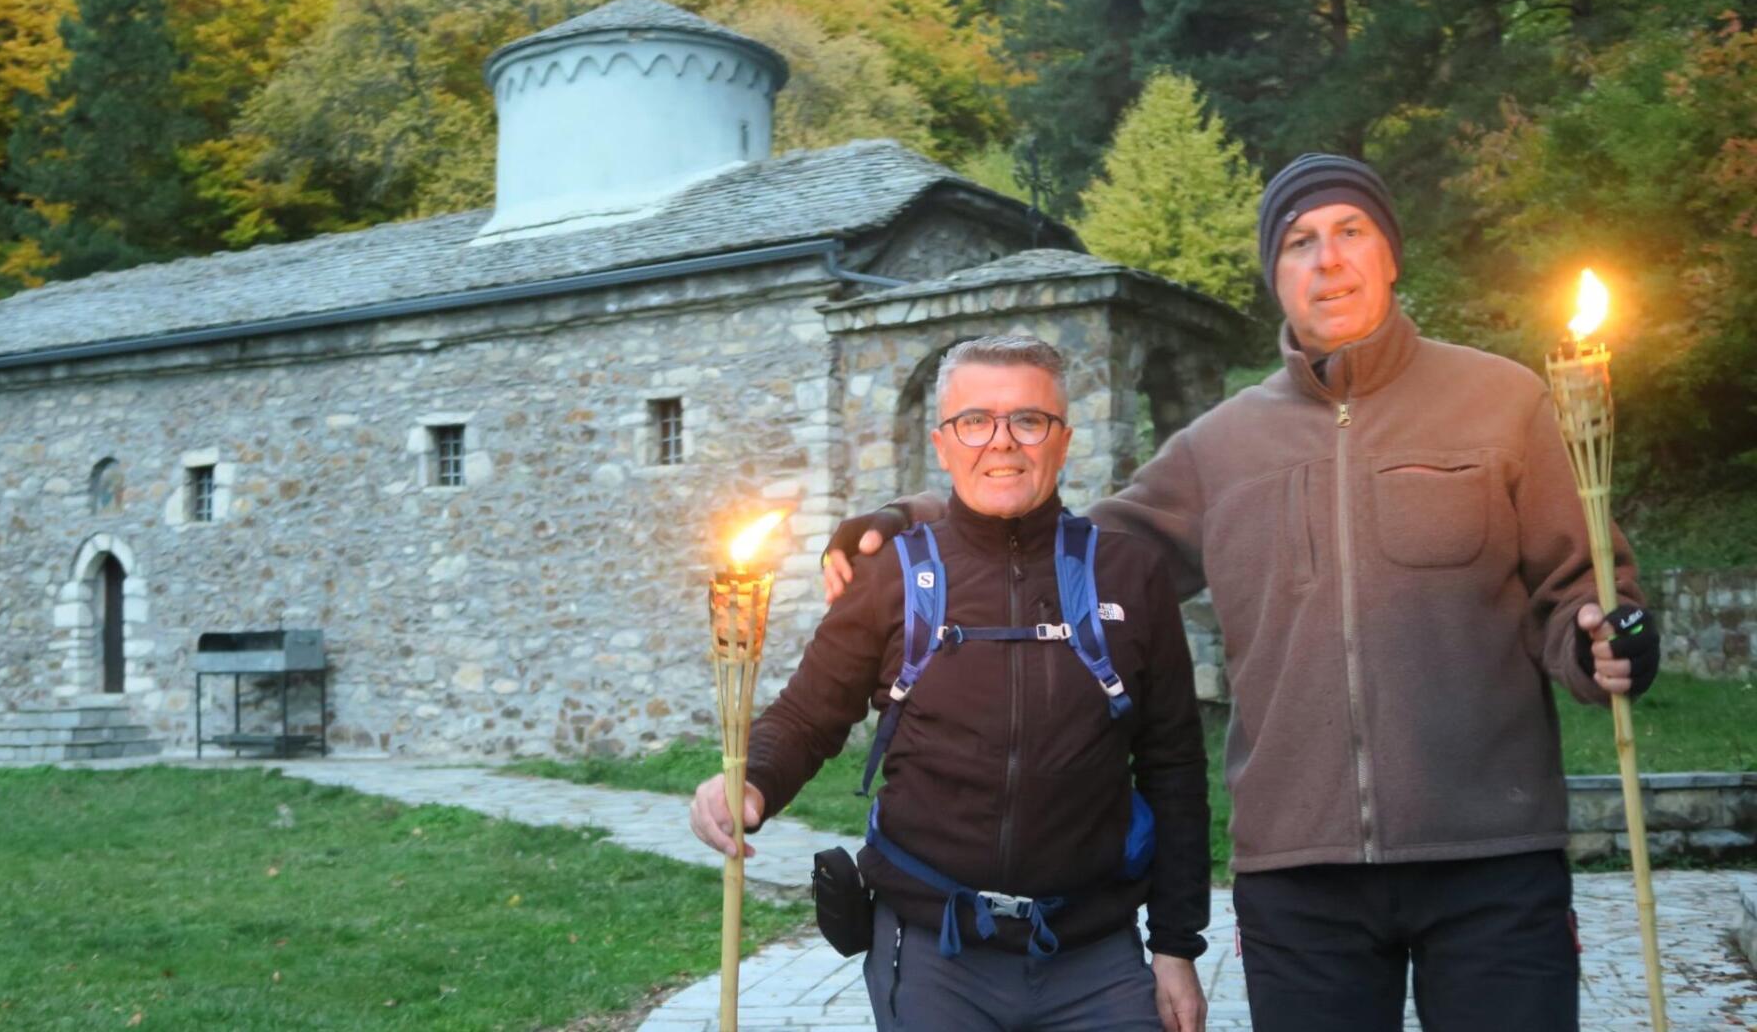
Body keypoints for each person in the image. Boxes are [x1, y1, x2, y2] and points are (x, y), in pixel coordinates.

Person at [822, 155, 1662, 1032]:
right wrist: (912, 516)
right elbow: (1065, 539)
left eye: (1350, 232)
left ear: (1390, 253)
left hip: (1493, 854)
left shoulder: (1504, 402)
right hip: (1298, 879)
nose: (1327, 260)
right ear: (1274, 275)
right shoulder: (1221, 446)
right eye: (1299, 243)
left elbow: (1580, 589)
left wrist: (1603, 641)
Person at [690, 336, 1212, 1031]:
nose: (1002, 441)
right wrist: (751, 779)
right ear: (942, 444)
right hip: (933, 955)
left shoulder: (1130, 574)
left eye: (1029, 419)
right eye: (974, 421)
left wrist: (1176, 946)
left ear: (1063, 440)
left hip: (1095, 957)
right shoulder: (890, 575)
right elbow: (808, 716)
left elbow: (1174, 768)